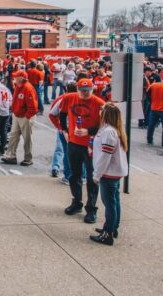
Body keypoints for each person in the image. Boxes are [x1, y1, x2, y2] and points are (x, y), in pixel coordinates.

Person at [59, 79, 105, 224]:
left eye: (88, 90)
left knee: (92, 178)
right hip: (73, 143)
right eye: (82, 90)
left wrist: (88, 131)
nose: (85, 93)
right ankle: (76, 202)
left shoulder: (99, 103)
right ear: (77, 89)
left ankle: (91, 209)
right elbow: (61, 115)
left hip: (91, 145)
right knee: (74, 175)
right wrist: (65, 131)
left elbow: (106, 125)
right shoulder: (68, 98)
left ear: (93, 89)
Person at [91, 103, 129, 246]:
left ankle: (108, 233)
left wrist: (97, 174)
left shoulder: (108, 132)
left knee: (109, 204)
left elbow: (105, 156)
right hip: (114, 172)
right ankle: (112, 228)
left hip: (108, 173)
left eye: (102, 111)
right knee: (114, 202)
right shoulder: (114, 130)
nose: (100, 112)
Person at [2, 71, 38, 166]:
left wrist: (27, 116)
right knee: (14, 136)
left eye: (16, 76)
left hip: (25, 117)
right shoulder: (18, 86)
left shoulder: (27, 88)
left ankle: (28, 158)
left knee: (27, 138)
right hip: (17, 115)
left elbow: (33, 107)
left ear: (21, 78)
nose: (14, 78)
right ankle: (11, 156)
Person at [48, 82, 77, 183]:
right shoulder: (81, 99)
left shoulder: (62, 98)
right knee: (80, 153)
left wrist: (59, 127)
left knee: (64, 151)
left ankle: (66, 175)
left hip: (67, 130)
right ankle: (79, 176)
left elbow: (52, 114)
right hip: (74, 130)